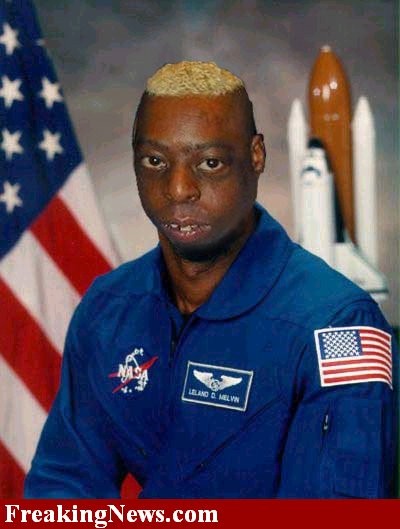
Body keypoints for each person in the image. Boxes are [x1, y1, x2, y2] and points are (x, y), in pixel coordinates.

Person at [25, 61, 396, 498]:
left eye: (210, 163)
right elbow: (63, 488)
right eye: (155, 161)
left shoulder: (337, 325)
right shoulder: (108, 309)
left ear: (256, 156)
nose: (179, 188)